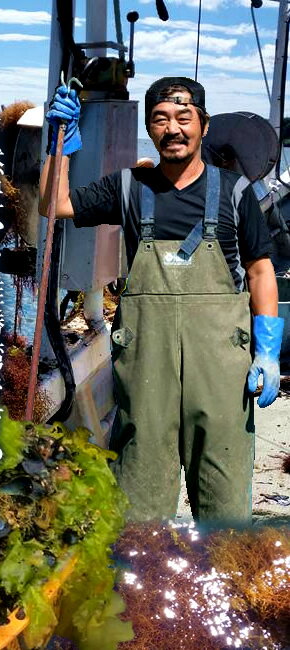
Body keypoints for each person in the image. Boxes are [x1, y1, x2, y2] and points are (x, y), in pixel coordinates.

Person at [38, 76, 285, 523]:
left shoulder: (235, 191)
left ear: (204, 125)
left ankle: (222, 583)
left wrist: (268, 352)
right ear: (150, 129)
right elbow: (54, 205)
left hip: (221, 372)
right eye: (160, 119)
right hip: (147, 367)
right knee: (139, 504)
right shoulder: (130, 186)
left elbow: (260, 270)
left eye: (184, 117)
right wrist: (60, 145)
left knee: (226, 503)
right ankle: (143, 589)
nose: (173, 128)